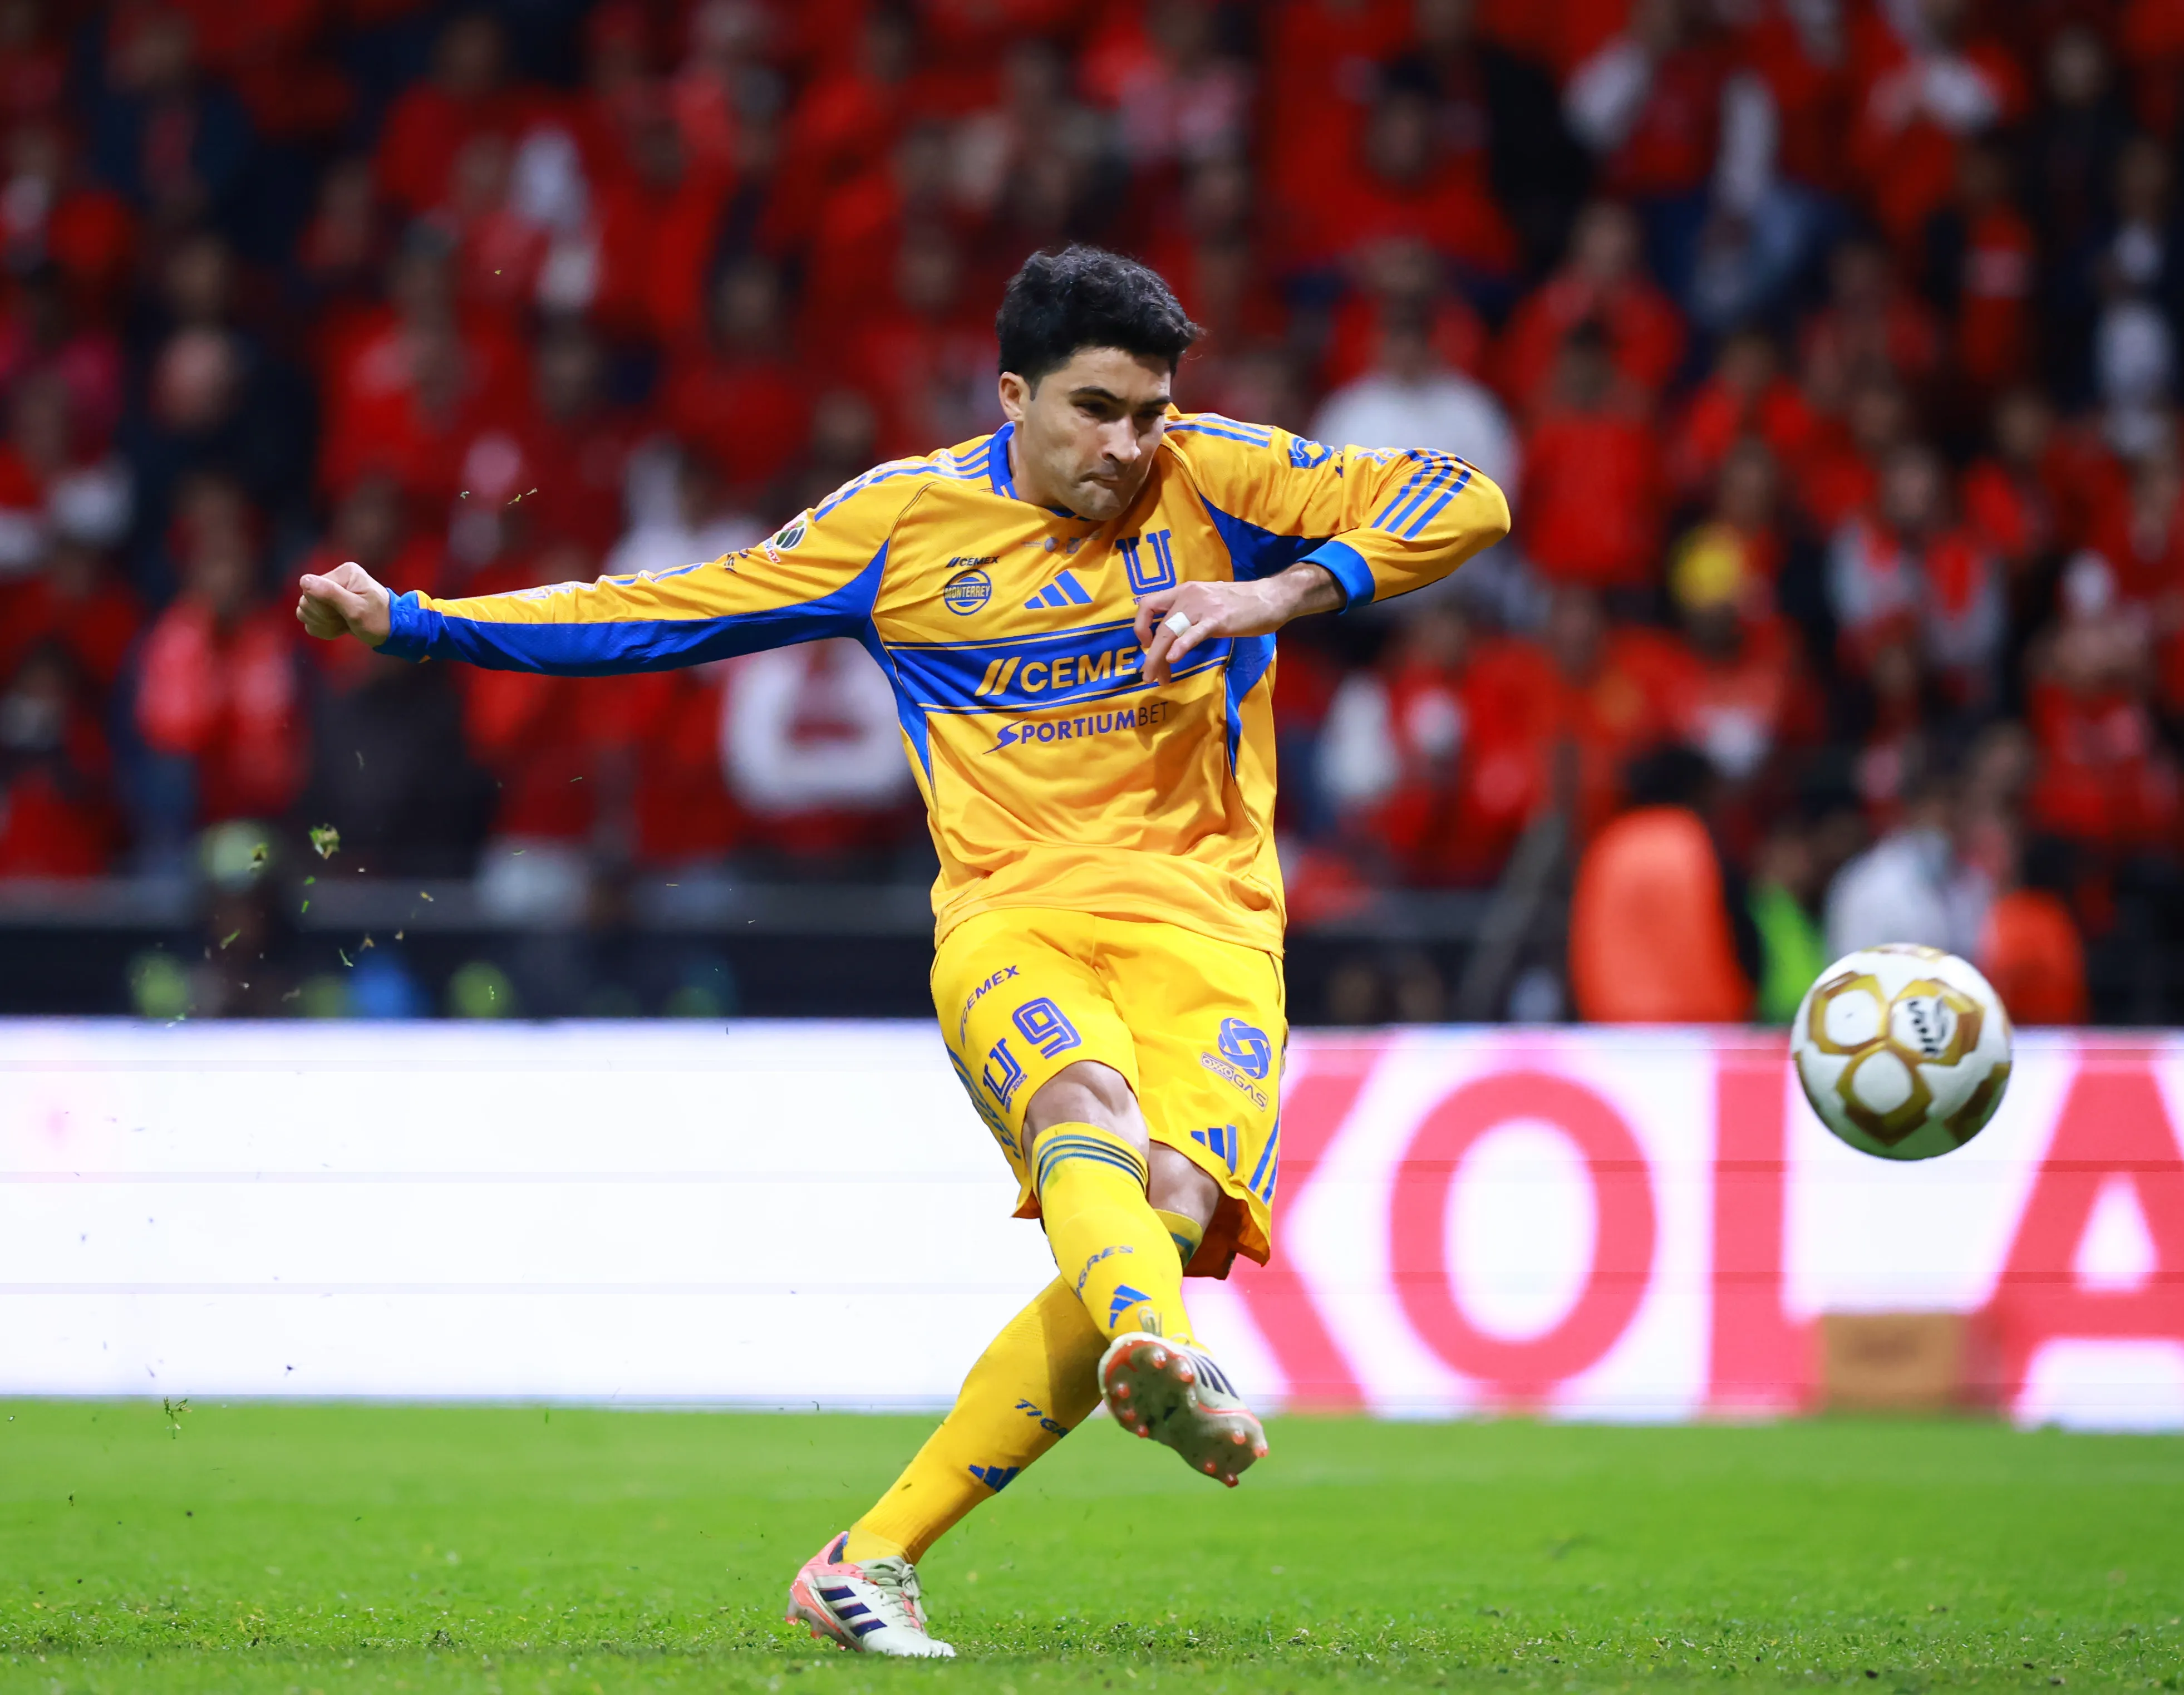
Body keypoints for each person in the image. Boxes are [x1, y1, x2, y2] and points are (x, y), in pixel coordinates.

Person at [294, 246, 1509, 1658]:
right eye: (1098, 408)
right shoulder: (904, 524)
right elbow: (668, 610)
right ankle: (1161, 1348)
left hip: (1213, 931)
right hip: (1012, 917)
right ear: (1014, 395)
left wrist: (1275, 594)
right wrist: (420, 621)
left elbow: (1466, 500)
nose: (1129, 442)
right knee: (1085, 1116)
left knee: (1168, 1202)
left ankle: (872, 1554)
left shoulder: (1220, 476)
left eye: (1150, 410)